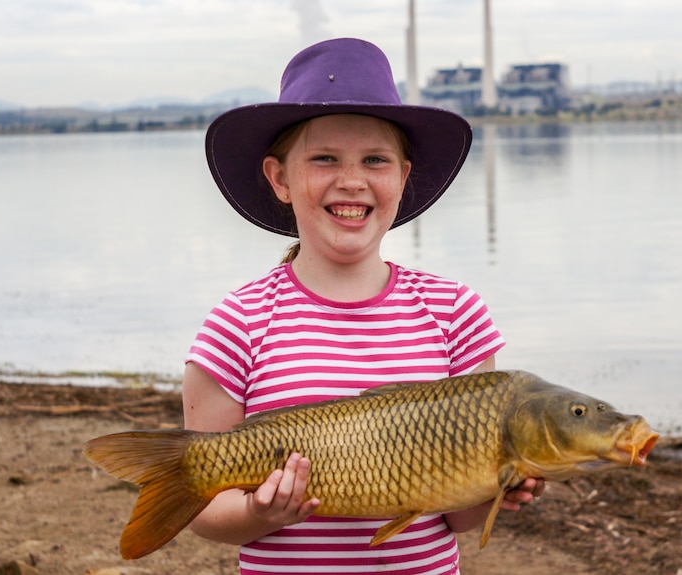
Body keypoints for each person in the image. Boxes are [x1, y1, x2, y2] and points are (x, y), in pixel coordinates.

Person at [182, 37, 544, 574]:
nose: (351, 181)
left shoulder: (455, 313)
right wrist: (261, 512)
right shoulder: (239, 322)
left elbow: (456, 518)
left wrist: (496, 487)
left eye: (374, 160)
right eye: (324, 158)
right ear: (280, 178)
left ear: (402, 176)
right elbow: (204, 510)